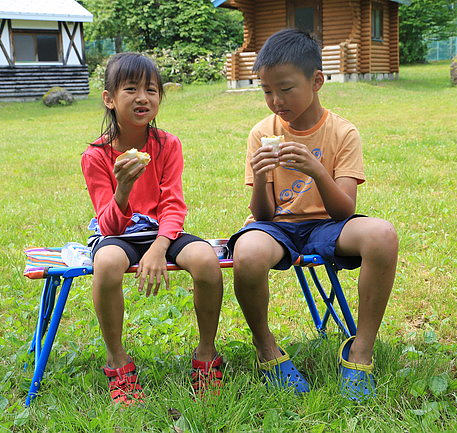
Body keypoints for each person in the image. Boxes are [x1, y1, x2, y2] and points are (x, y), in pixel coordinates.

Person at [227, 29, 398, 401]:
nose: (276, 100)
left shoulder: (342, 132)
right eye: (267, 91)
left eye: (286, 89)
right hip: (279, 227)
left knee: (382, 234)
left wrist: (317, 170)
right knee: (248, 253)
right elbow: (263, 214)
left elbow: (344, 210)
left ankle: (361, 351)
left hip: (330, 226)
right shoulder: (262, 133)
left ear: (317, 80)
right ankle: (266, 349)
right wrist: (259, 176)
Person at [81, 52, 224, 406]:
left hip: (163, 232)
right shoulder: (96, 156)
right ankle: (118, 361)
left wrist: (159, 247)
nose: (143, 97)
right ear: (109, 99)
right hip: (119, 234)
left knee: (206, 260)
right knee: (108, 263)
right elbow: (108, 224)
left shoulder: (167, 145)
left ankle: (206, 356)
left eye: (151, 90)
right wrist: (124, 188)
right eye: (131, 89)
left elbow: (173, 204)